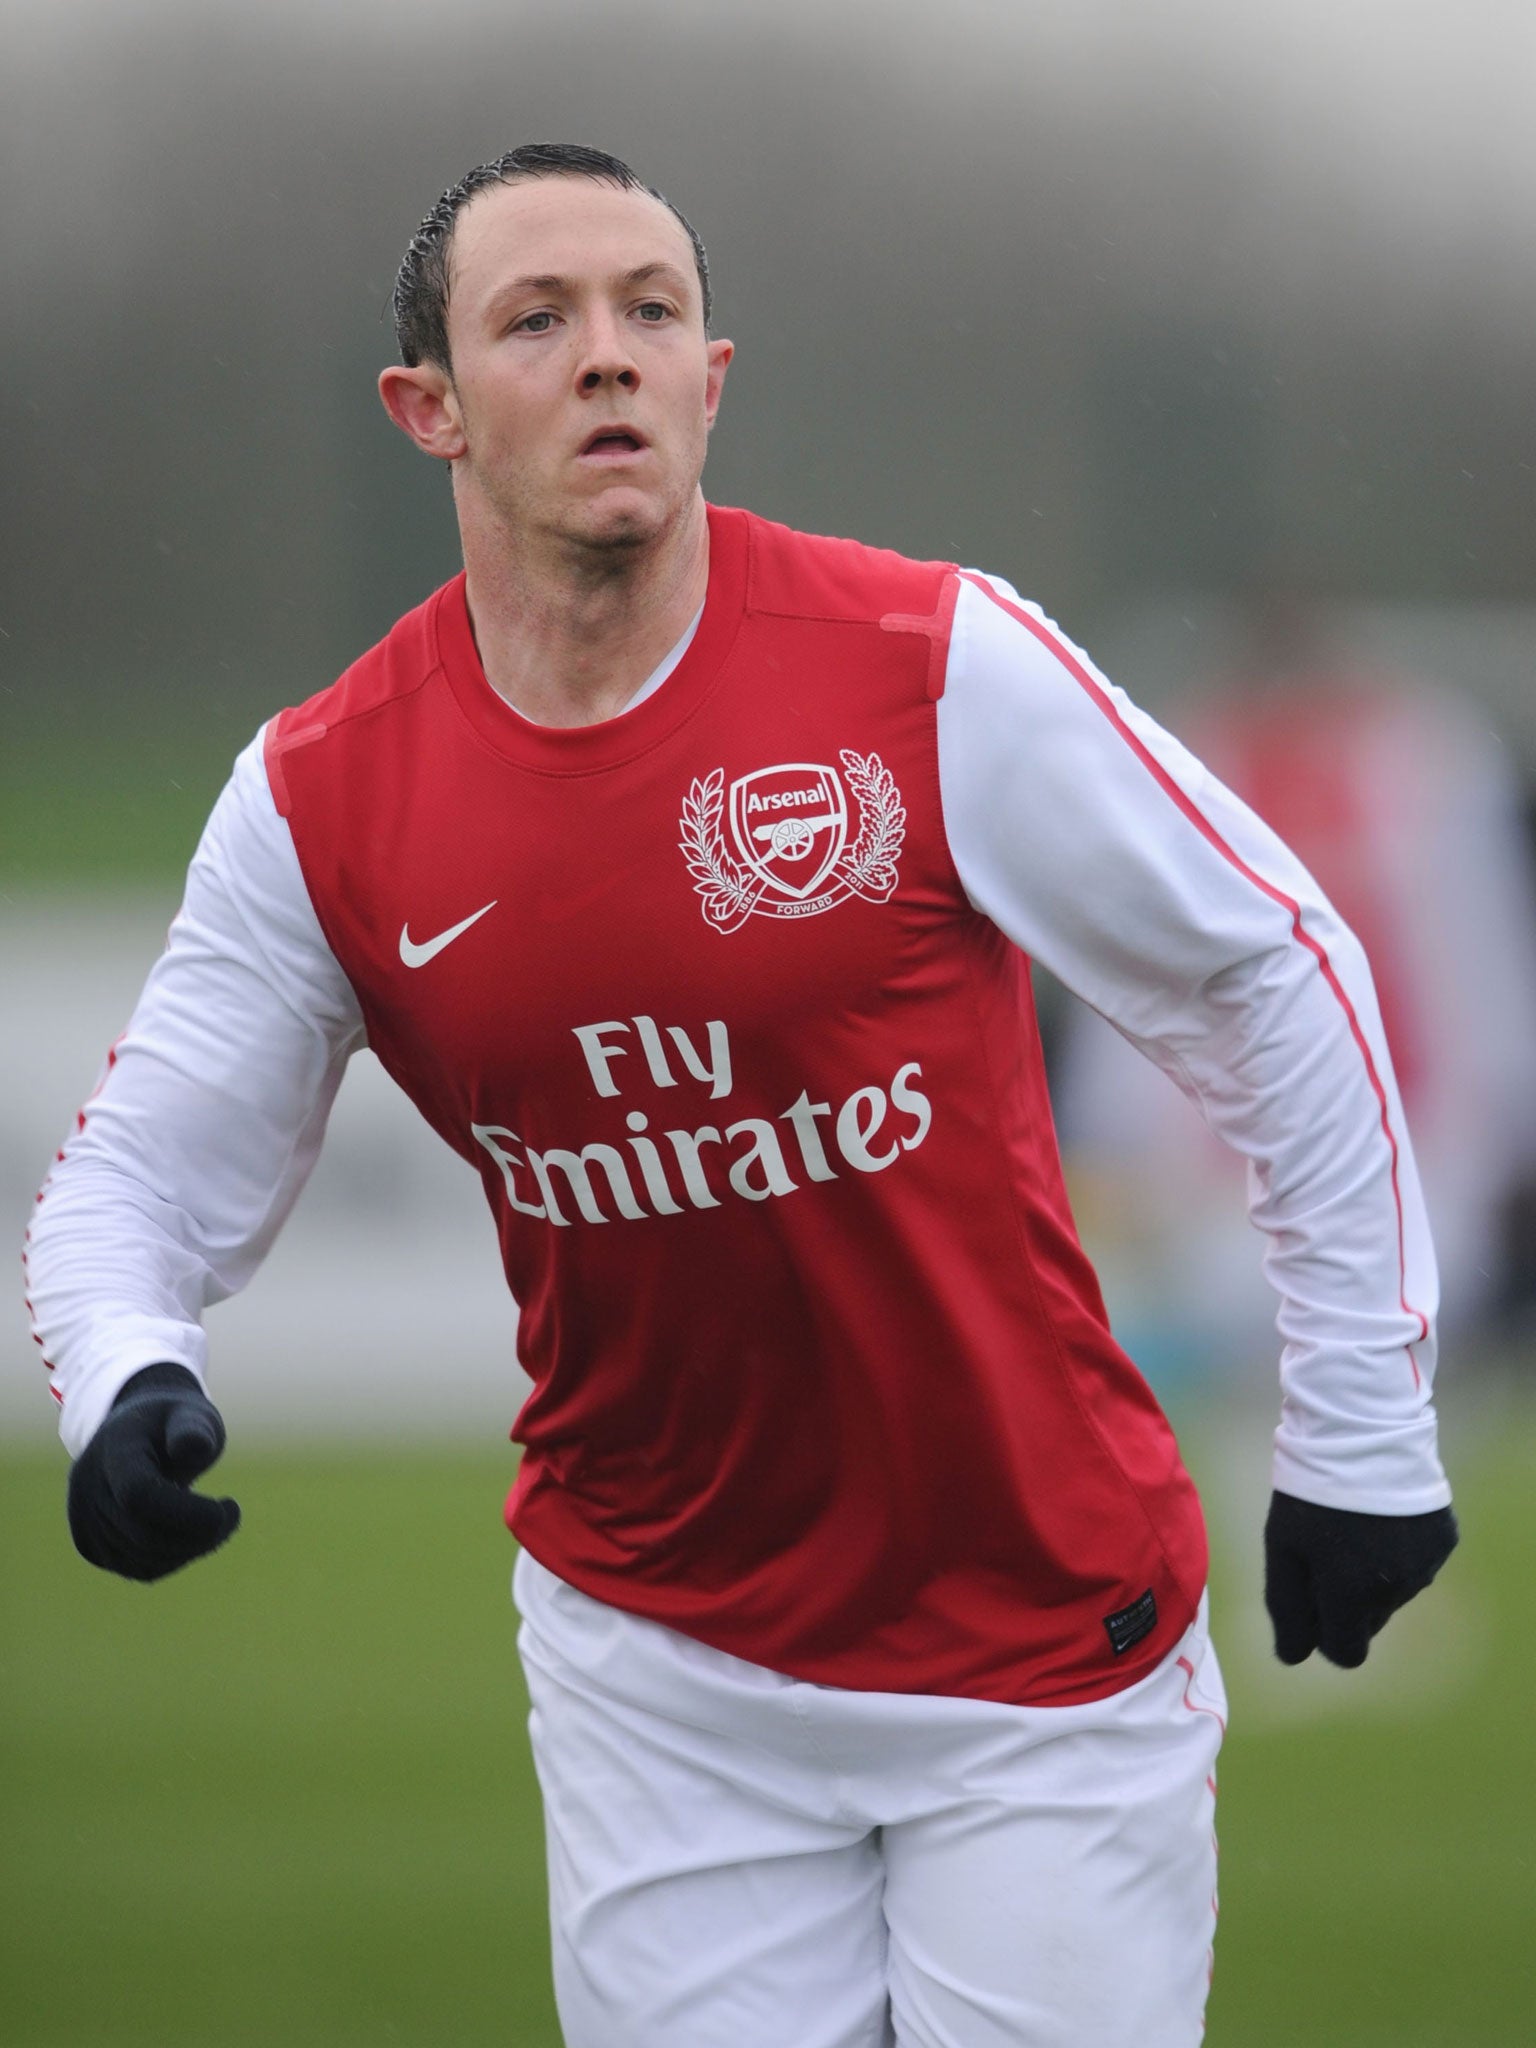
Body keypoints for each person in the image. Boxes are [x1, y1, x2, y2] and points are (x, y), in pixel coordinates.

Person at [24, 143, 1459, 2048]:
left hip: (1037, 1648)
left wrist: (1362, 1430)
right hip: (658, 1665)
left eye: (651, 311)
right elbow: (134, 1182)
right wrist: (124, 1366)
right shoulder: (318, 800)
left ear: (714, 378)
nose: (609, 355)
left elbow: (1277, 968)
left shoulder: (933, 667)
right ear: (428, 411)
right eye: (538, 321)